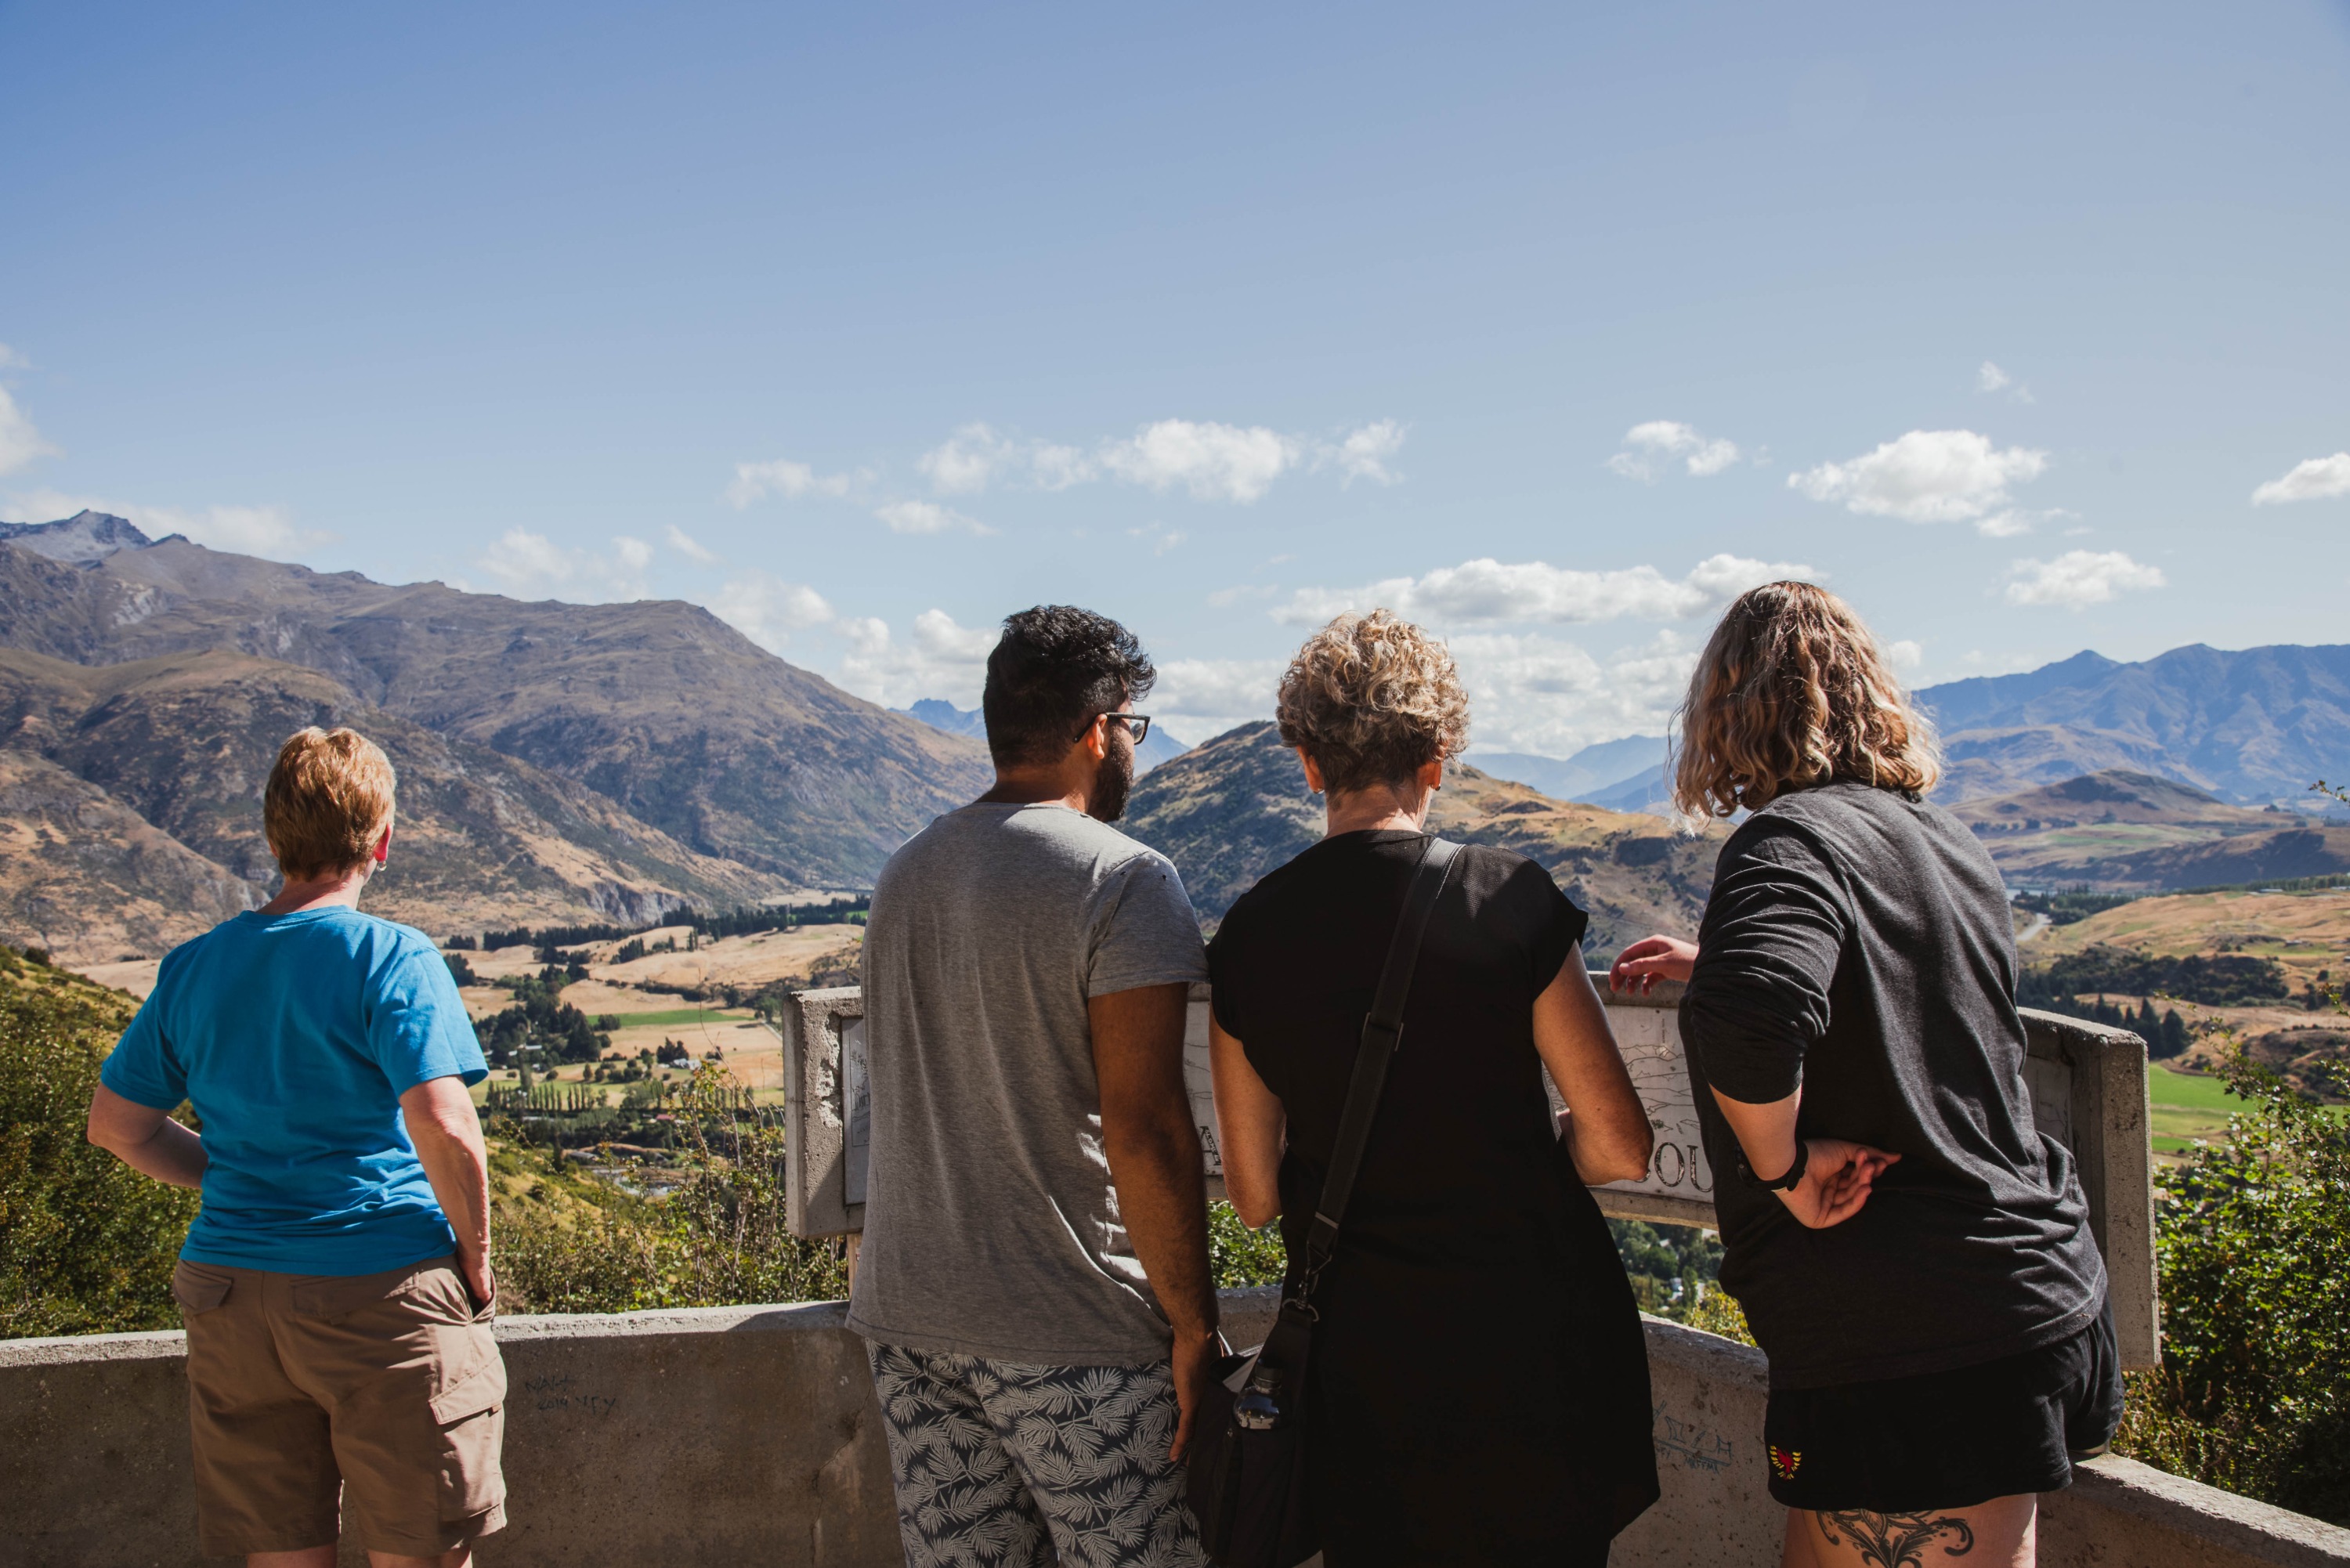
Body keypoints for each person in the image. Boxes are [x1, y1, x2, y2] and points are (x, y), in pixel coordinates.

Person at [1609, 582, 2117, 1568]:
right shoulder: (1945, 842)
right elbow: (1901, 993)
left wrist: (1787, 1171)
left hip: (1920, 1334)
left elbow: (1756, 1021)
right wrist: (1720, 961)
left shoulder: (1787, 840)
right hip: (2010, 1290)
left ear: (1725, 712)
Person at [1207, 609, 1662, 1568]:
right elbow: (1621, 1143)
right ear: (1438, 759)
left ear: (1307, 764)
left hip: (1363, 1378)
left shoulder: (1251, 935)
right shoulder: (1509, 899)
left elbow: (1250, 1194)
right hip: (1534, 1359)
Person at [848, 605, 1217, 1568]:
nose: (1132, 746)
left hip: (911, 1318)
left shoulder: (906, 872)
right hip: (1073, 1327)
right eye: (1134, 727)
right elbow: (1144, 1130)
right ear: (1100, 732)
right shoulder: (1124, 880)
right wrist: (1194, 1324)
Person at [85, 726, 504, 1568]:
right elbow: (446, 1124)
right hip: (377, 1291)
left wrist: (232, 1177)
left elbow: (116, 1125)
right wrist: (477, 1260)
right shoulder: (391, 955)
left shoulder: (195, 967)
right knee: (420, 1549)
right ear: (381, 839)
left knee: (279, 1555)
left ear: (275, 837)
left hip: (230, 1299)